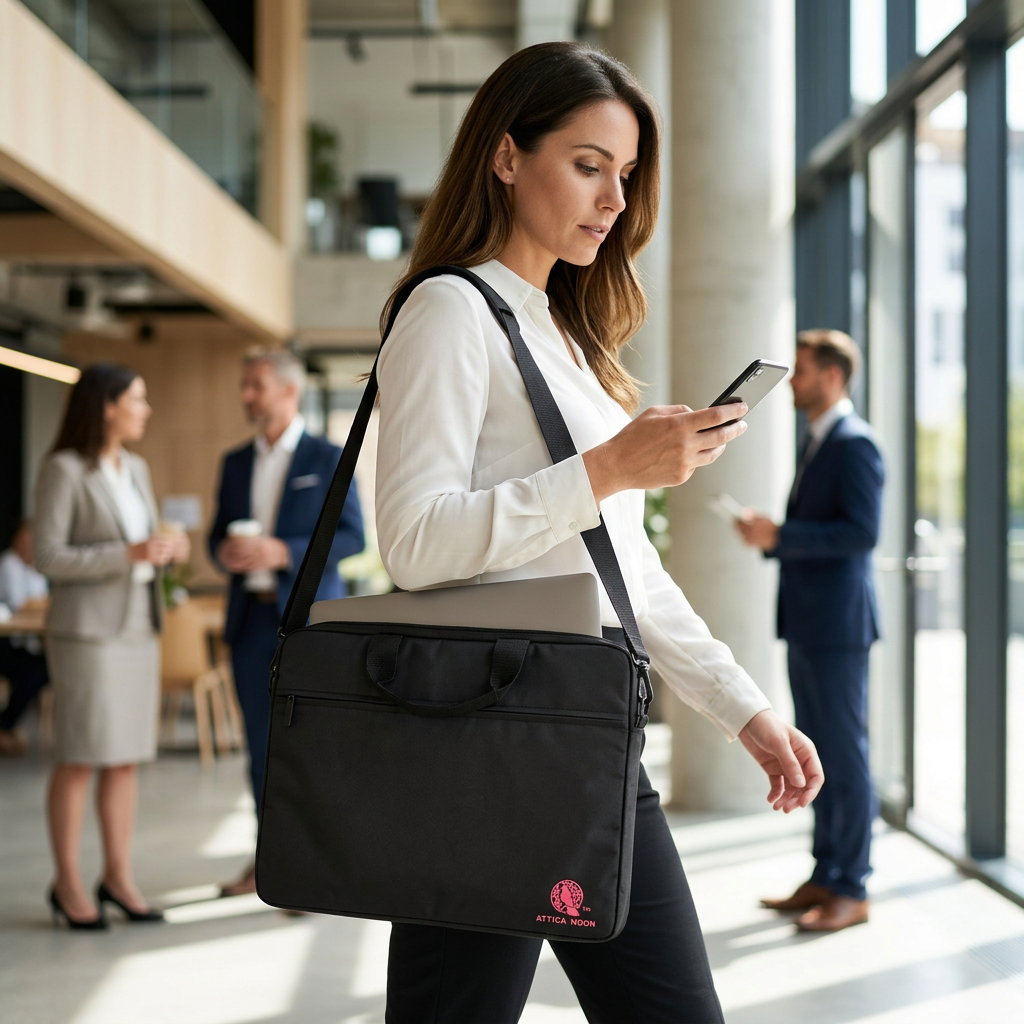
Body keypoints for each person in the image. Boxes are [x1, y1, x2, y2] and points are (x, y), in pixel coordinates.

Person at [373, 42, 823, 1024]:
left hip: (588, 727)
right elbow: (412, 543)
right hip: (490, 740)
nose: (613, 200)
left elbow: (626, 570)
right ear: (504, 156)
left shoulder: (566, 338)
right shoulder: (449, 311)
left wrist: (743, 708)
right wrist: (607, 469)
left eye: (623, 175)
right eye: (586, 165)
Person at [736, 329, 884, 933]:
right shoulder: (820, 442)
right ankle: (825, 875)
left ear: (831, 375)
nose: (792, 382)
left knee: (844, 757)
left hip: (837, 627)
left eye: (800, 371)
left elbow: (861, 534)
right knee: (818, 751)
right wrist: (774, 542)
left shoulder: (854, 444)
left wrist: (782, 536)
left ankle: (852, 887)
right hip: (810, 622)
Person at [34, 363, 189, 929]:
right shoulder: (64, 470)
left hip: (135, 629)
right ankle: (68, 883)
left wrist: (165, 551)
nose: (145, 410)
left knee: (125, 761)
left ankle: (118, 878)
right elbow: (48, 556)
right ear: (106, 406)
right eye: (138, 399)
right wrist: (127, 554)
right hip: (88, 634)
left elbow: (142, 545)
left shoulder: (138, 469)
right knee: (80, 757)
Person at [209, 348, 364, 897]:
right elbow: (215, 537)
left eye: (256, 385)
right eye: (245, 385)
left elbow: (353, 538)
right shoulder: (233, 463)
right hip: (250, 623)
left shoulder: (328, 456)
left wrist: (283, 551)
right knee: (260, 748)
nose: (246, 395)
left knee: (312, 749)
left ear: (288, 390)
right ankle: (265, 864)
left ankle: (314, 871)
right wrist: (224, 553)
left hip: (308, 626)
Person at [0, 522, 50, 755]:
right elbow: (20, 603)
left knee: (45, 669)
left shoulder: (35, 569)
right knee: (34, 672)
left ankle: (7, 726)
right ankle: (5, 726)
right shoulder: (9, 564)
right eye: (25, 540)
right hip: (7, 642)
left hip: (27, 641)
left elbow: (42, 601)